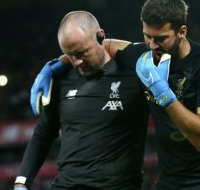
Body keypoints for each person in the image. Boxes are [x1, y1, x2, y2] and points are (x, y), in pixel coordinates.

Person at [29, 0, 200, 189]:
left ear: (181, 32)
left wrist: (162, 93)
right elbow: (99, 44)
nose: (152, 45)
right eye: (147, 36)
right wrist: (55, 65)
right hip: (170, 182)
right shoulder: (144, 57)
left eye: (160, 39)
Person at [14, 11, 150, 190]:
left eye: (82, 53)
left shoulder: (135, 73)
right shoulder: (59, 79)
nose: (77, 61)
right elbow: (44, 133)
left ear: (101, 36)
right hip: (65, 185)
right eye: (69, 55)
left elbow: (154, 51)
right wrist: (21, 182)